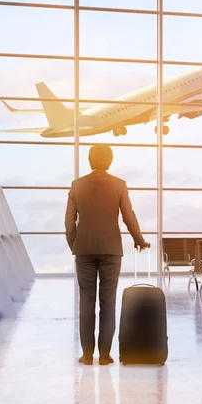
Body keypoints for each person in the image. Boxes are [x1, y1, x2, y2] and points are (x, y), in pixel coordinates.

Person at [65, 144, 149, 366]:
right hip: (112, 250)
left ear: (90, 160)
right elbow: (128, 216)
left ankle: (86, 355)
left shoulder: (76, 186)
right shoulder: (119, 185)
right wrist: (139, 240)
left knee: (86, 301)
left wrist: (75, 244)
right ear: (109, 161)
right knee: (108, 301)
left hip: (83, 250)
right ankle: (104, 355)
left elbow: (69, 221)